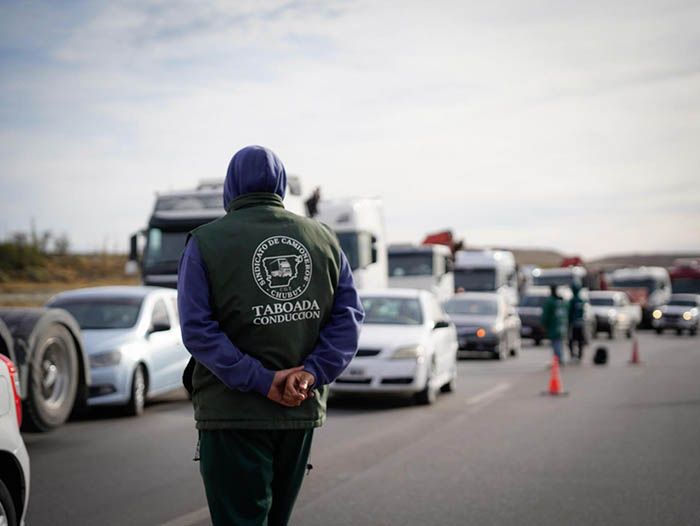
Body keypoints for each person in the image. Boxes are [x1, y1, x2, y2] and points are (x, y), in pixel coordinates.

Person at [177, 145, 364, 526]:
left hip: (232, 416)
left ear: (230, 186)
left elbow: (197, 329)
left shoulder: (206, 242)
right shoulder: (323, 239)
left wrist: (262, 380)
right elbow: (348, 318)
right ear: (280, 186)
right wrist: (310, 373)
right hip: (299, 410)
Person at [541, 285, 568, 365]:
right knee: (560, 343)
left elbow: (545, 315)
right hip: (562, 325)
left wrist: (544, 324)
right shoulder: (561, 301)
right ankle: (559, 358)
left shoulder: (550, 301)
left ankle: (558, 359)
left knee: (555, 343)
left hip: (553, 326)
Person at [568, 282, 588, 361]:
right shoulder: (581, 300)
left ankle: (573, 354)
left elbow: (570, 312)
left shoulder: (572, 301)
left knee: (571, 340)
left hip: (573, 324)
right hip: (581, 323)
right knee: (580, 340)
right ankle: (579, 355)